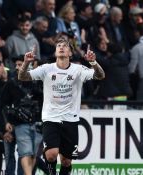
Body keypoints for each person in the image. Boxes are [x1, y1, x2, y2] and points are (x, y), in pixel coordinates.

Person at [18, 38, 105, 175]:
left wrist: (93, 62)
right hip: (51, 117)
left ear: (70, 53)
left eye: (65, 46)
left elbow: (100, 75)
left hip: (70, 119)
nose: (61, 47)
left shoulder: (78, 69)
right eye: (58, 45)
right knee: (51, 154)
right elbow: (23, 77)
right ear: (55, 51)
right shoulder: (46, 68)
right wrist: (26, 63)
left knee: (66, 161)